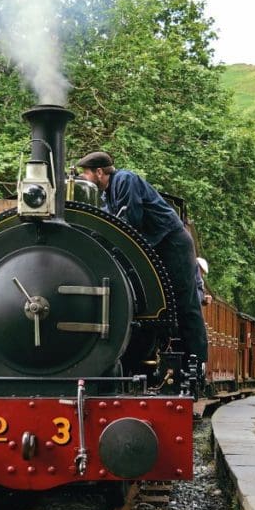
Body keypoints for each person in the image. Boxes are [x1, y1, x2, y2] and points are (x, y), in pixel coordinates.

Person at [76, 151, 208, 367]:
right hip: (156, 244)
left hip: (171, 243)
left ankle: (196, 364)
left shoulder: (125, 180)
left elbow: (129, 222)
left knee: (185, 305)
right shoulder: (106, 194)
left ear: (99, 172)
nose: (84, 178)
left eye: (86, 174)